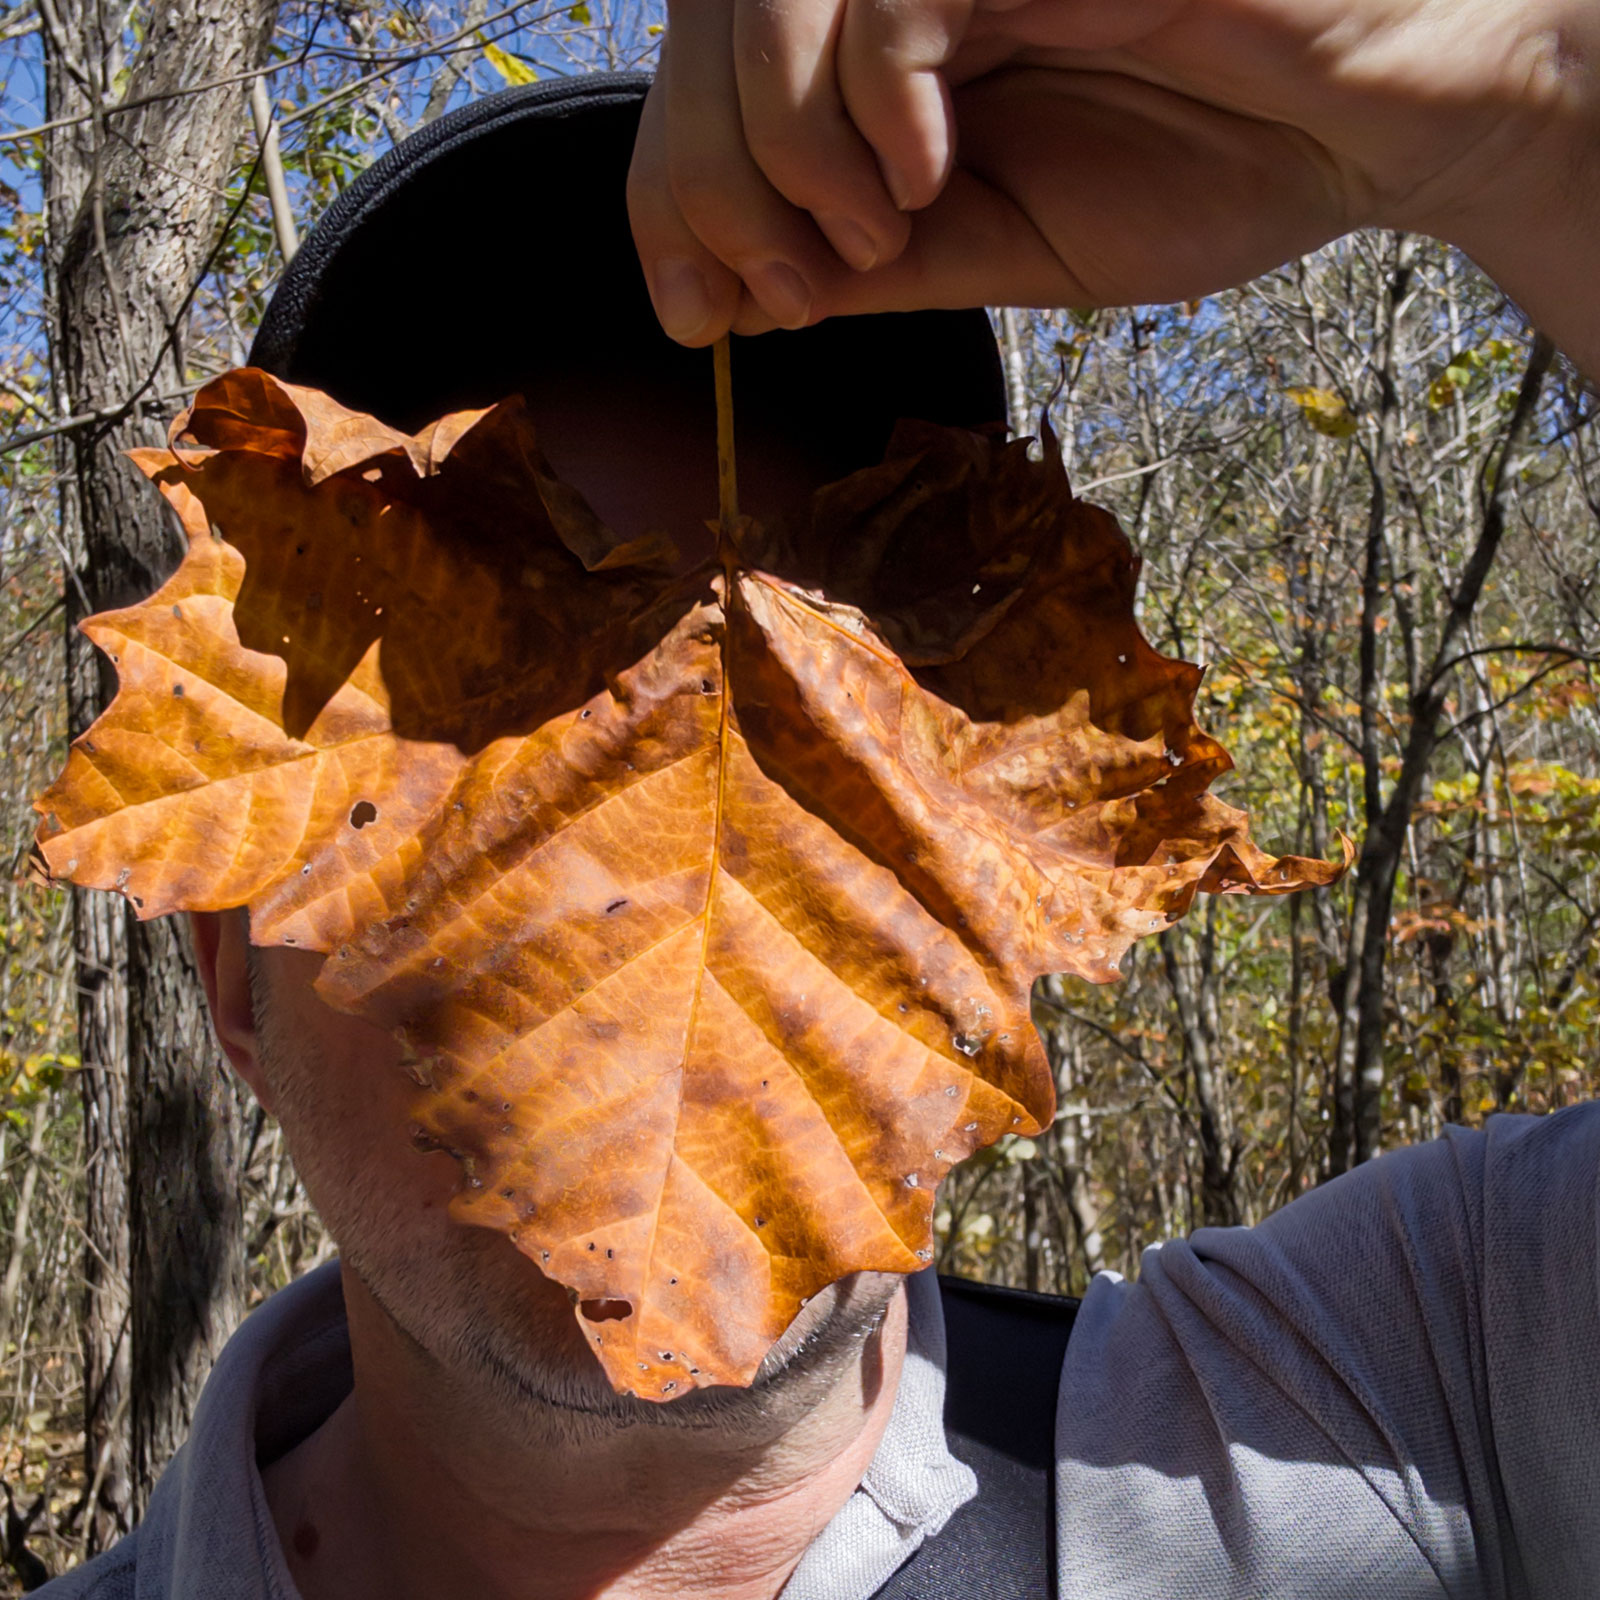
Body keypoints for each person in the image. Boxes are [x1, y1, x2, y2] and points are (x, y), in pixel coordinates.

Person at [38, 0, 1600, 1593]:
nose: (622, 881)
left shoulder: (1396, 1412)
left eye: (829, 757)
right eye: (474, 761)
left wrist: (1534, 127)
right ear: (236, 974)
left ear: (996, 884)